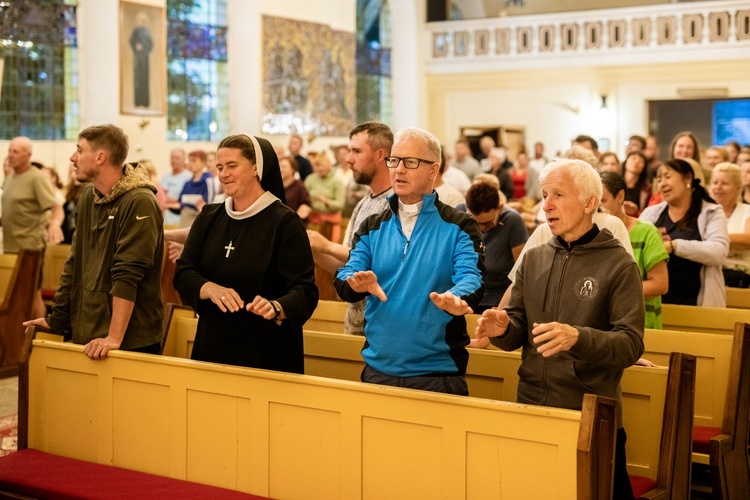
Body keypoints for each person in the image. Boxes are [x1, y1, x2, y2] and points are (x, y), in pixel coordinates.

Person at [475, 159, 644, 500]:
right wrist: (503, 329)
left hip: (590, 416)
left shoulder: (618, 264)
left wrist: (579, 337)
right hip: (533, 407)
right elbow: (519, 331)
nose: (546, 205)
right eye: (544, 195)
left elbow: (630, 343)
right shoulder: (536, 258)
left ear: (588, 203)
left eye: (558, 195)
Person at [334, 127, 484, 395]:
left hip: (437, 373)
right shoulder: (372, 226)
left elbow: (472, 277)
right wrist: (354, 282)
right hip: (379, 370)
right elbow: (347, 271)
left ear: (433, 170)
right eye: (394, 160)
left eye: (410, 162)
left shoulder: (459, 225)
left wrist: (456, 296)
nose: (399, 170)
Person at [173, 134, 318, 373]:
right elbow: (183, 272)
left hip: (265, 350)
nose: (223, 174)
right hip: (212, 346)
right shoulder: (209, 216)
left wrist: (276, 306)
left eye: (232, 165)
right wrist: (210, 288)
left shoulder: (284, 222)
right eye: (220, 167)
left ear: (256, 168)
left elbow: (305, 290)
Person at [23, 124, 164, 359]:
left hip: (130, 338)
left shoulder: (139, 200)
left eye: (79, 150)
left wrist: (114, 337)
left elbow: (128, 273)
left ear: (100, 157)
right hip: (88, 326)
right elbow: (75, 262)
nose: (72, 158)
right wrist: (57, 319)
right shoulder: (89, 195)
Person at [307, 121, 394, 336]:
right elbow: (347, 265)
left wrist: (327, 245)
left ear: (380, 154)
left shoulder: (397, 203)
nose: (348, 159)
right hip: (356, 324)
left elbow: (379, 261)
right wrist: (314, 250)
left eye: (356, 151)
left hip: (384, 326)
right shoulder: (363, 203)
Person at [640, 159, 729, 307]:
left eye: (668, 177)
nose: (662, 184)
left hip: (698, 304)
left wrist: (674, 246)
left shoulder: (711, 212)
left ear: (688, 178)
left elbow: (718, 252)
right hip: (655, 304)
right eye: (659, 179)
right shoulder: (651, 213)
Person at [2, 136, 65, 318]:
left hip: (30, 247)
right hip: (10, 247)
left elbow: (57, 208)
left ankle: (37, 335)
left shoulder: (36, 178)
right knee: (14, 298)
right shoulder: (11, 177)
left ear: (28, 155)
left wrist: (54, 223)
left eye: (16, 151)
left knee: (32, 294)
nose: (11, 155)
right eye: (9, 150)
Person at [600, 171, 669, 328]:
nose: (598, 208)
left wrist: (611, 293)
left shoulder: (646, 232)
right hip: (605, 325)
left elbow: (660, 284)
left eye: (603, 201)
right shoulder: (591, 233)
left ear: (620, 197)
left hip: (642, 325)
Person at [465, 181, 526, 313]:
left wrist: (503, 306)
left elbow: (521, 272)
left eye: (486, 223)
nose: (480, 228)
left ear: (500, 208)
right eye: (475, 223)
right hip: (465, 295)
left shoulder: (512, 221)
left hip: (497, 299)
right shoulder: (460, 214)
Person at [709, 162, 750, 288]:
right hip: (710, 276)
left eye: (724, 183)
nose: (718, 187)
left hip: (742, 279)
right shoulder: (704, 212)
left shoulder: (747, 211)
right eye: (715, 183)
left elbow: (748, 239)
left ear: (738, 187)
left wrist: (716, 239)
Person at [304, 152, 345, 242]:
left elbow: (340, 204)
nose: (320, 168)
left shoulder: (337, 182)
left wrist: (326, 201)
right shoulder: (310, 179)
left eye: (322, 165)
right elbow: (303, 199)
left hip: (330, 223)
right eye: (317, 166)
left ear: (329, 165)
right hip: (313, 222)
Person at [161, 148, 192, 226]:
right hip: (165, 220)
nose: (174, 160)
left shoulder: (189, 177)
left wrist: (168, 199)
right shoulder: (165, 177)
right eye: (172, 158)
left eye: (177, 158)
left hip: (181, 220)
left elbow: (186, 200)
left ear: (184, 160)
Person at [130, 12, 153, 108]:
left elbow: (151, 44)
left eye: (144, 21)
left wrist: (145, 48)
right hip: (138, 58)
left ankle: (145, 102)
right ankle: (138, 102)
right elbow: (132, 41)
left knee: (145, 80)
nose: (143, 22)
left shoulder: (147, 32)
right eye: (141, 20)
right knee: (138, 80)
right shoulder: (136, 31)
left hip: (145, 59)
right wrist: (137, 46)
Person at [280, 155, 311, 222]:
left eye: (284, 167)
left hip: (293, 222)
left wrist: (303, 207)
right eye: (279, 166)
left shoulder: (299, 185)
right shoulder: (277, 185)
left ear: (292, 169)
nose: (281, 169)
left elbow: (306, 203)